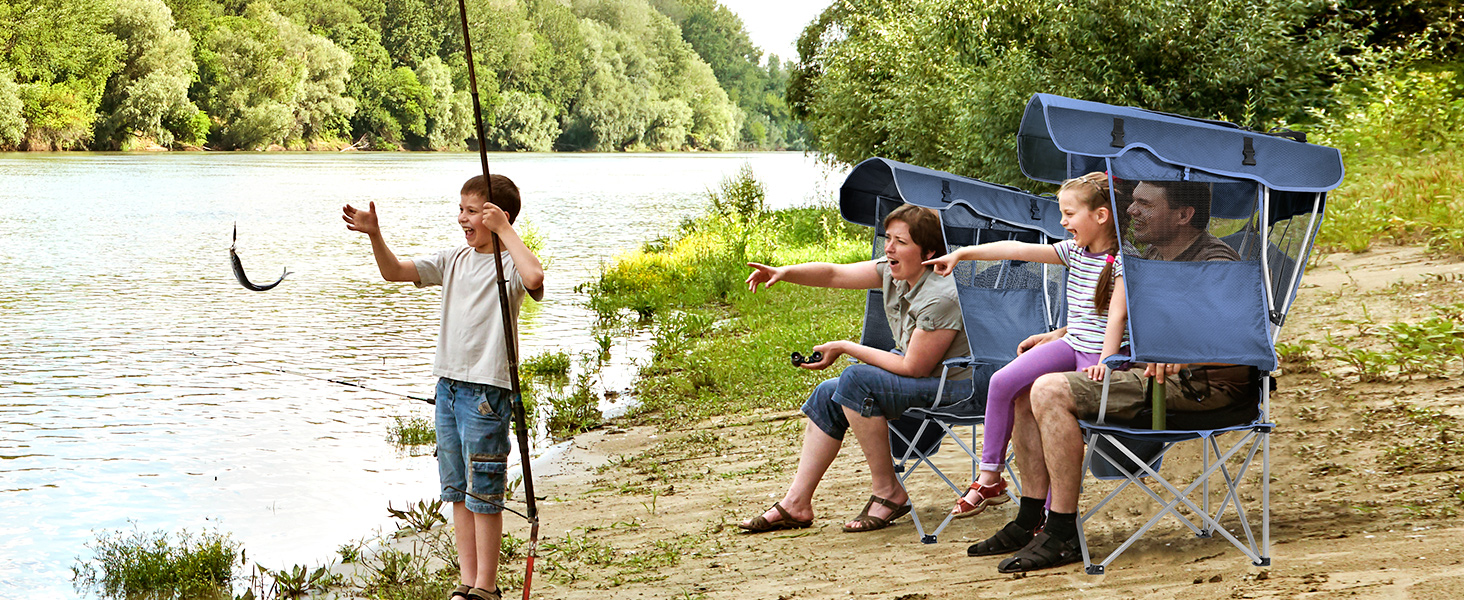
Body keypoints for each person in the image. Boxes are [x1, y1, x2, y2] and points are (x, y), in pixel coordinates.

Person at [968, 179, 1252, 574]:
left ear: (1184, 215)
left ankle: (1062, 528)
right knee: (1021, 391)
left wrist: (1183, 354)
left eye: (1144, 205)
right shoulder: (1149, 256)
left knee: (1050, 388)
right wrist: (1062, 334)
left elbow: (1239, 338)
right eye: (1132, 202)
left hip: (1204, 388)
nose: (1131, 211)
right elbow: (1118, 316)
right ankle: (1029, 517)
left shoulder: (1215, 263)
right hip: (1150, 377)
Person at [342, 174, 544, 600]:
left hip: (487, 392)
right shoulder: (454, 259)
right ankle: (467, 582)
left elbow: (536, 278)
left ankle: (486, 588)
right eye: (462, 209)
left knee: (484, 490)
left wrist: (506, 230)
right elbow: (393, 272)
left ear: (496, 216)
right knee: (456, 488)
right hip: (448, 389)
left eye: (472, 212)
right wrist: (375, 235)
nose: (462, 219)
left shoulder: (508, 263)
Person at [738, 204, 979, 534]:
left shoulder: (941, 295)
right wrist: (784, 271)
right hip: (922, 377)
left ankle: (888, 491)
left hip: (955, 386)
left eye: (901, 242)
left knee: (854, 378)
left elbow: (913, 367)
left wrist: (845, 347)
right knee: (827, 393)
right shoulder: (894, 274)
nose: (889, 248)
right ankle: (797, 503)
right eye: (888, 239)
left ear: (929, 252)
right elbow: (835, 274)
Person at [922, 172, 1129, 519]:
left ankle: (1052, 513)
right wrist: (964, 254)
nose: (1062, 222)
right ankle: (989, 476)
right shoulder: (1072, 252)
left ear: (1101, 216)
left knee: (1062, 424)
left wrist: (1107, 362)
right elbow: (1016, 249)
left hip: (1098, 355)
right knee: (1003, 382)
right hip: (1072, 344)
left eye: (1069, 214)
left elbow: (1117, 320)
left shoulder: (1123, 261)